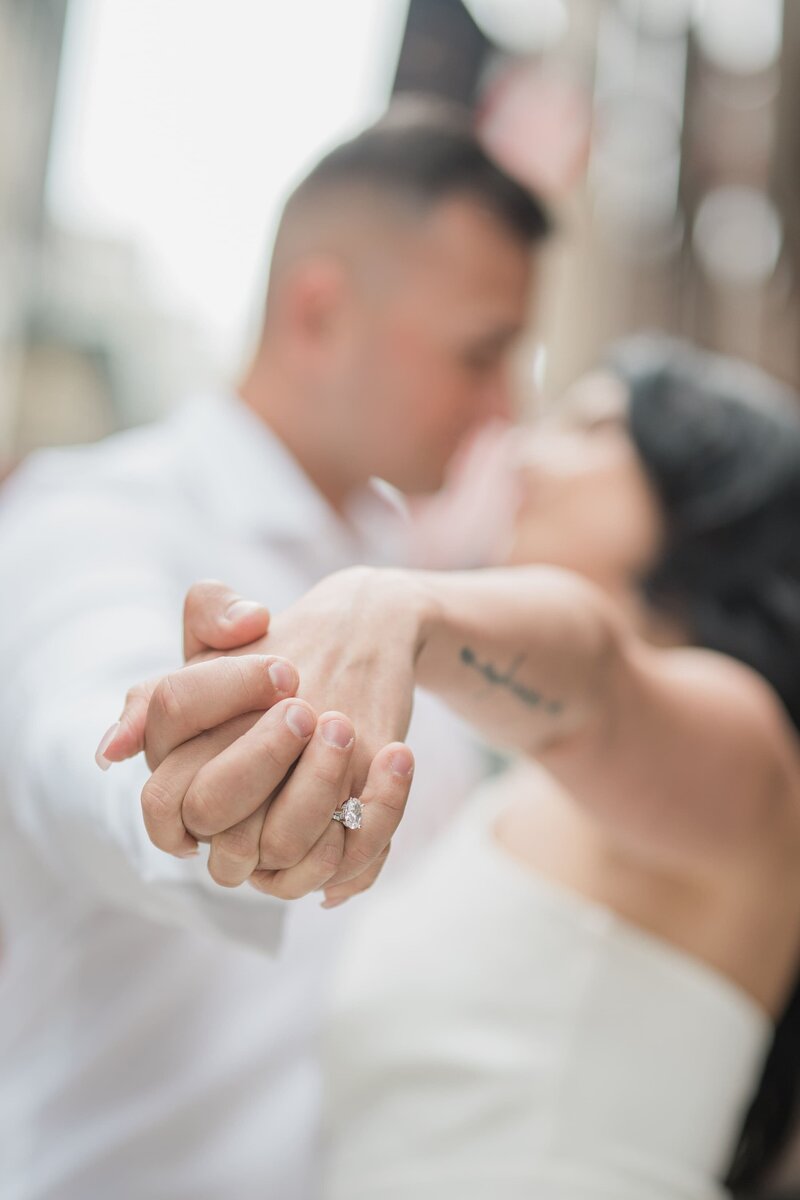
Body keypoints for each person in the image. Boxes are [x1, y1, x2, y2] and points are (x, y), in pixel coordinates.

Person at [0, 102, 550, 1199]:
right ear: (317, 315)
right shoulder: (100, 516)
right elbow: (81, 746)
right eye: (480, 353)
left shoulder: (405, 571)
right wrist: (186, 792)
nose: (503, 406)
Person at [112, 337, 800, 1199]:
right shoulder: (516, 792)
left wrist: (396, 605)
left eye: (591, 427)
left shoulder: (748, 748)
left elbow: (595, 677)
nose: (526, 451)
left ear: (708, 504)